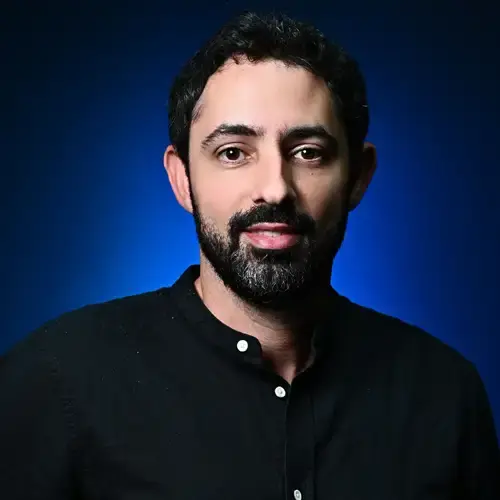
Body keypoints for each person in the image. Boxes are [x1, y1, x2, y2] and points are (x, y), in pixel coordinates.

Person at [0, 10, 498, 500]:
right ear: (182, 178)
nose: (275, 189)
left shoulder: (445, 393)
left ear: (358, 177)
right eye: (233, 152)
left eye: (308, 152)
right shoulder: (54, 380)